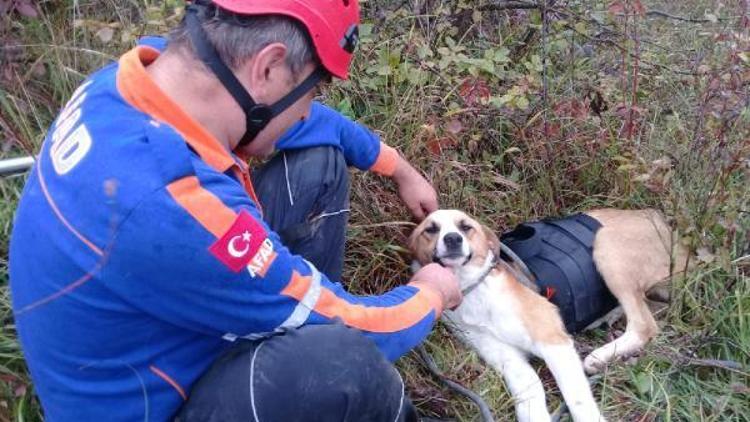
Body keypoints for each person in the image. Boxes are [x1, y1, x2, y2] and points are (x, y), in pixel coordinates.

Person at [9, 0, 462, 421]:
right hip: (155, 404)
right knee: (345, 363)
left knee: (317, 161)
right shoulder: (176, 207)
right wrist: (431, 291)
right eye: (309, 94)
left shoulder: (130, 82)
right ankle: (304, 315)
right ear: (267, 66)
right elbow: (366, 332)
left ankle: (293, 308)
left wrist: (399, 167)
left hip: (145, 338)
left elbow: (311, 124)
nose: (306, 114)